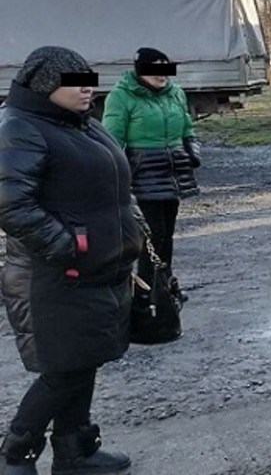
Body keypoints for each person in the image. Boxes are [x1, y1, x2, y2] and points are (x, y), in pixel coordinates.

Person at [0, 46, 145, 475]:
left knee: (84, 360)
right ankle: (15, 453)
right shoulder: (20, 127)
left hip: (96, 271)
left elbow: (118, 189)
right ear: (44, 86)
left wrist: (133, 228)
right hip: (54, 276)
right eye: (74, 82)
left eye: (89, 80)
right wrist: (69, 246)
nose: (87, 89)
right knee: (63, 371)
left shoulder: (82, 125)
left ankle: (74, 451)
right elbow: (11, 204)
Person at [102, 47, 200, 304]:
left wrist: (192, 151)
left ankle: (165, 286)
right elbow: (111, 141)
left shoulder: (176, 93)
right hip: (144, 177)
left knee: (166, 236)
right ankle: (148, 294)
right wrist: (115, 176)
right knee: (151, 238)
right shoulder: (121, 97)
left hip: (172, 175)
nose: (161, 74)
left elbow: (187, 128)